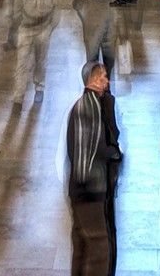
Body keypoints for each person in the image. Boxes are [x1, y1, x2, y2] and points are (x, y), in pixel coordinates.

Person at [66, 60, 123, 276]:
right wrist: (115, 153)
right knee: (99, 248)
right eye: (103, 77)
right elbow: (95, 149)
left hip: (80, 189)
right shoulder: (89, 108)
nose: (107, 81)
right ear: (93, 80)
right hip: (89, 190)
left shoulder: (85, 104)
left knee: (81, 244)